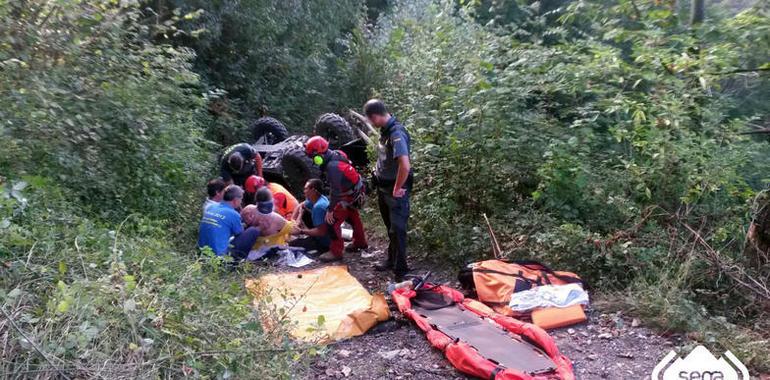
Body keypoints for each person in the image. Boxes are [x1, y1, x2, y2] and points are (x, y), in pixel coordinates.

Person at [365, 99, 412, 280]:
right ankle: (391, 260)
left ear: (375, 116)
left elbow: (405, 166)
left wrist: (397, 188)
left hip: (395, 190)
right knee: (390, 228)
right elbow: (384, 159)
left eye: (371, 120)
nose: (371, 124)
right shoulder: (384, 132)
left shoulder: (396, 133)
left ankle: (401, 270)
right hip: (383, 187)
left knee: (398, 229)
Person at [304, 136, 368, 262]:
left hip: (347, 195)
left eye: (313, 157)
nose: (313, 161)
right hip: (355, 190)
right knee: (353, 217)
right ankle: (360, 242)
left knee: (331, 222)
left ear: (319, 156)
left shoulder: (333, 167)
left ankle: (336, 251)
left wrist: (330, 209)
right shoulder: (337, 153)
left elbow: (336, 192)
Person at [198, 185, 259, 261]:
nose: (241, 202)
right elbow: (240, 234)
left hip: (201, 253)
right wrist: (247, 224)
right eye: (241, 199)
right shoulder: (233, 214)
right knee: (253, 231)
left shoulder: (211, 207)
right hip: (219, 258)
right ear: (236, 200)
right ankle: (238, 263)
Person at [289, 179, 331, 255]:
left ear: (313, 190)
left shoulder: (319, 207)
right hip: (322, 230)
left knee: (291, 245)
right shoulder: (316, 198)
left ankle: (321, 247)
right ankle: (310, 235)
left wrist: (301, 231)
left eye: (306, 189)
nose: (304, 191)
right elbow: (300, 206)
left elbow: (321, 232)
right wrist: (293, 221)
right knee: (303, 211)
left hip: (325, 241)